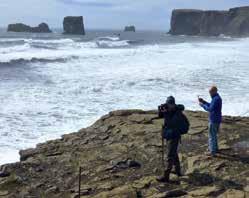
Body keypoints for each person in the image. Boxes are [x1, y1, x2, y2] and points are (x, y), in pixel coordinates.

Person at [157, 96, 189, 182]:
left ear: (174, 104)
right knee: (173, 153)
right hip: (169, 134)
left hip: (174, 136)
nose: (169, 106)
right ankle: (177, 171)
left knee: (170, 156)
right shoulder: (169, 110)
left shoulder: (178, 113)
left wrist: (166, 113)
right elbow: (160, 116)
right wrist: (160, 110)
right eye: (168, 104)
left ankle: (166, 176)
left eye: (170, 104)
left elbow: (171, 123)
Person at [199, 86, 222, 156]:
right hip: (217, 119)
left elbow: (210, 109)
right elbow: (211, 105)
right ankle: (215, 149)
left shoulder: (215, 99)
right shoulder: (217, 98)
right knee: (214, 135)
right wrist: (204, 102)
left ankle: (212, 151)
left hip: (214, 119)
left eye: (210, 92)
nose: (210, 94)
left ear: (214, 91)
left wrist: (202, 105)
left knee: (212, 135)